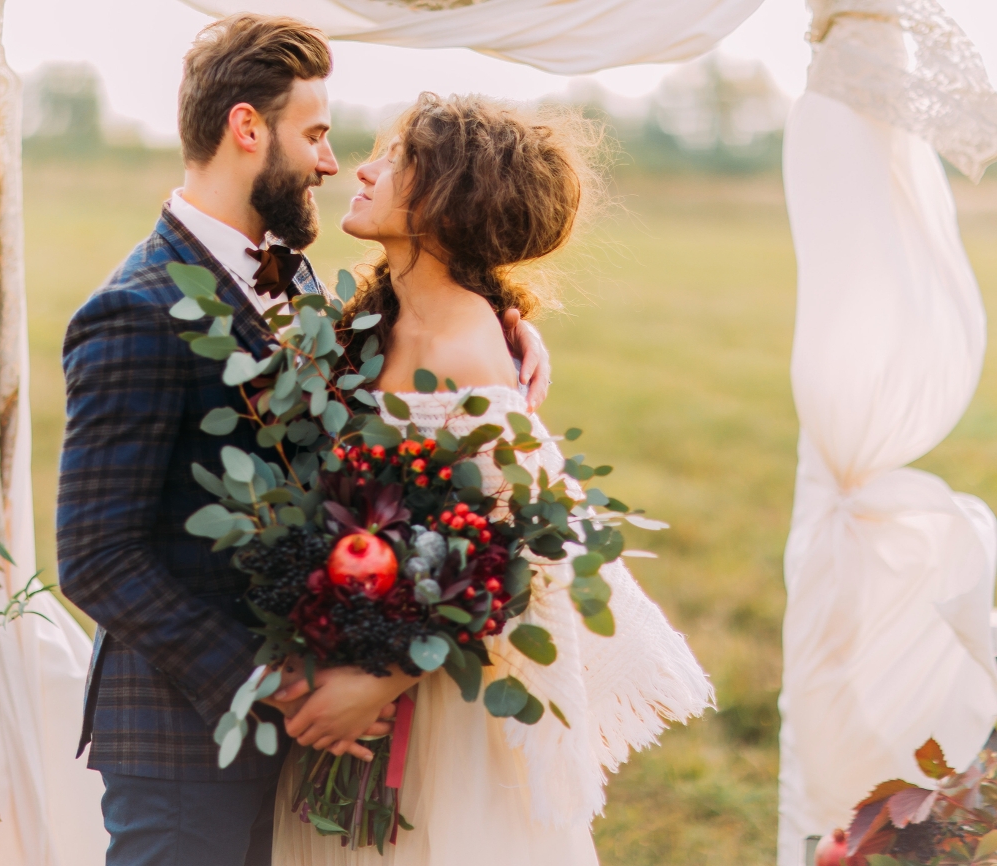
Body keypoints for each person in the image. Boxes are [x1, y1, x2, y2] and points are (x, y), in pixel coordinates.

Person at [55, 16, 553, 866]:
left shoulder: (300, 275)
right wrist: (282, 687)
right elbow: (97, 557)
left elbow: (394, 379)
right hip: (188, 738)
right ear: (247, 128)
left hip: (310, 735)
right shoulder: (132, 310)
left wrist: (501, 331)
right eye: (315, 134)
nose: (331, 161)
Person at [265, 93, 716, 864]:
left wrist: (380, 683)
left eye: (394, 159)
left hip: (431, 704)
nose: (363, 169)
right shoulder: (375, 322)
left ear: (446, 200)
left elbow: (522, 555)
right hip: (353, 668)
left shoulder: (468, 353)